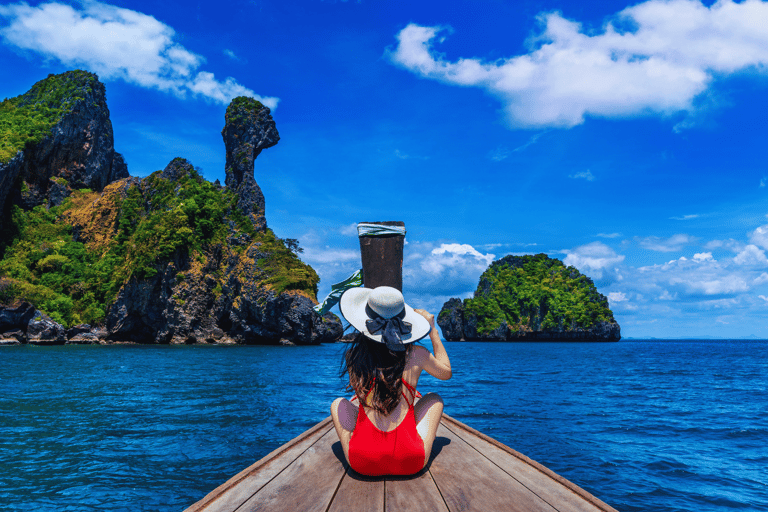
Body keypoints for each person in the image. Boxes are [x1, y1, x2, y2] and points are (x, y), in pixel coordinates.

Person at [330, 286, 452, 476]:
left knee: (338, 403)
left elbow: (362, 391)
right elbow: (446, 373)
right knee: (434, 398)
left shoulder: (353, 355)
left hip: (362, 464)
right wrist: (433, 331)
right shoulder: (417, 354)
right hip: (411, 462)